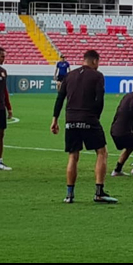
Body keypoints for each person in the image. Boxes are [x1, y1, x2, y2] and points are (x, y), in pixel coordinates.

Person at [51, 50, 115, 203]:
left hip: (70, 119)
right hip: (88, 117)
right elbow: (100, 98)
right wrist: (96, 117)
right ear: (94, 61)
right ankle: (99, 192)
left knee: (73, 156)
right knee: (101, 152)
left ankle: (69, 194)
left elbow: (60, 98)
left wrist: (55, 119)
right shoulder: (97, 76)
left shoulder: (69, 75)